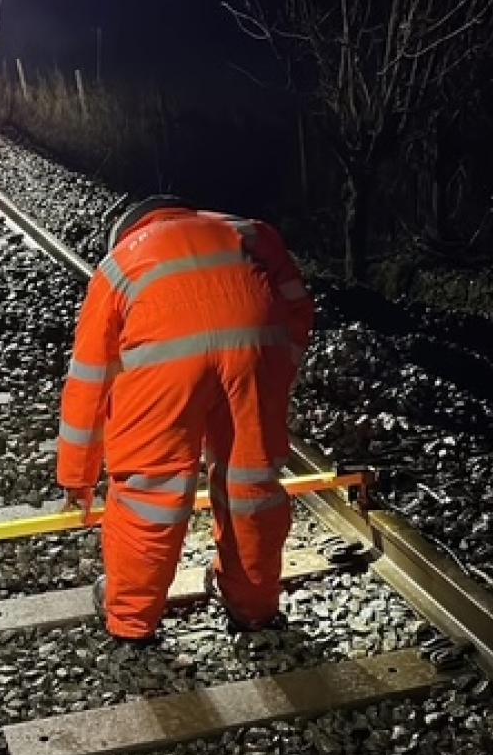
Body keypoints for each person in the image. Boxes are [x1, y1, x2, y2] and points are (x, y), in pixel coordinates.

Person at [57, 196, 314, 643]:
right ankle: (254, 608)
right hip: (252, 349)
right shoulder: (249, 229)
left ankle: (132, 622)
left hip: (165, 365)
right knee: (251, 482)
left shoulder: (119, 264)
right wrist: (276, 373)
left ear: (128, 230)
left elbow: (90, 378)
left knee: (150, 489)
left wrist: (77, 475)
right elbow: (297, 306)